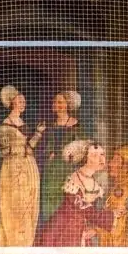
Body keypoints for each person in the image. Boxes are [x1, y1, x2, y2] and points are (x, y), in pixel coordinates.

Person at [35, 140, 112, 246]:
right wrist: (111, 217)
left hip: (82, 231)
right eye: (94, 155)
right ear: (84, 158)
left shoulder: (96, 183)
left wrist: (95, 229)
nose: (101, 159)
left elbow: (96, 210)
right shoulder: (74, 180)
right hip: (64, 230)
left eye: (102, 154)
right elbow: (85, 209)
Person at [0, 86, 41, 247]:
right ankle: (15, 242)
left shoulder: (23, 123)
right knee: (15, 204)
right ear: (11, 102)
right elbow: (3, 151)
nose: (23, 103)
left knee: (29, 203)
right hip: (13, 168)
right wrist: (18, 150)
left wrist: (38, 133)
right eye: (20, 101)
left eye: (24, 101)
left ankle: (26, 241)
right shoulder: (5, 126)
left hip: (28, 166)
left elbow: (29, 147)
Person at [34, 90, 84, 224]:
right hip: (51, 169)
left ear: (68, 104)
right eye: (56, 102)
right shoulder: (50, 125)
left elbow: (80, 148)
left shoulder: (75, 125)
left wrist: (71, 155)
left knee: (65, 199)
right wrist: (48, 154)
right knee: (49, 199)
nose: (58, 105)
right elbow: (45, 147)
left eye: (61, 102)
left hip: (66, 168)